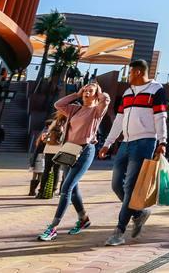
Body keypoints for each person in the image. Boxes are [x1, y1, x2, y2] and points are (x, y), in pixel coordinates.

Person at [99, 59, 168, 247]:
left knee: (130, 186)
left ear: (137, 72)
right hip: (126, 143)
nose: (128, 76)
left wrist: (162, 141)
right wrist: (108, 143)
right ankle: (139, 213)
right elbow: (119, 119)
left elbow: (161, 117)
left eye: (129, 73)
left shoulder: (156, 90)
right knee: (116, 184)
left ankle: (119, 232)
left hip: (145, 142)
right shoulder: (128, 92)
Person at [38, 82, 111, 241]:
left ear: (96, 94)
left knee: (66, 187)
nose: (86, 93)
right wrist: (77, 94)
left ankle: (53, 227)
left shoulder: (96, 111)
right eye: (85, 90)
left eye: (90, 91)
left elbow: (105, 100)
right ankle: (83, 219)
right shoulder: (75, 109)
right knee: (73, 188)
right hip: (69, 151)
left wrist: (98, 92)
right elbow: (58, 104)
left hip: (85, 151)